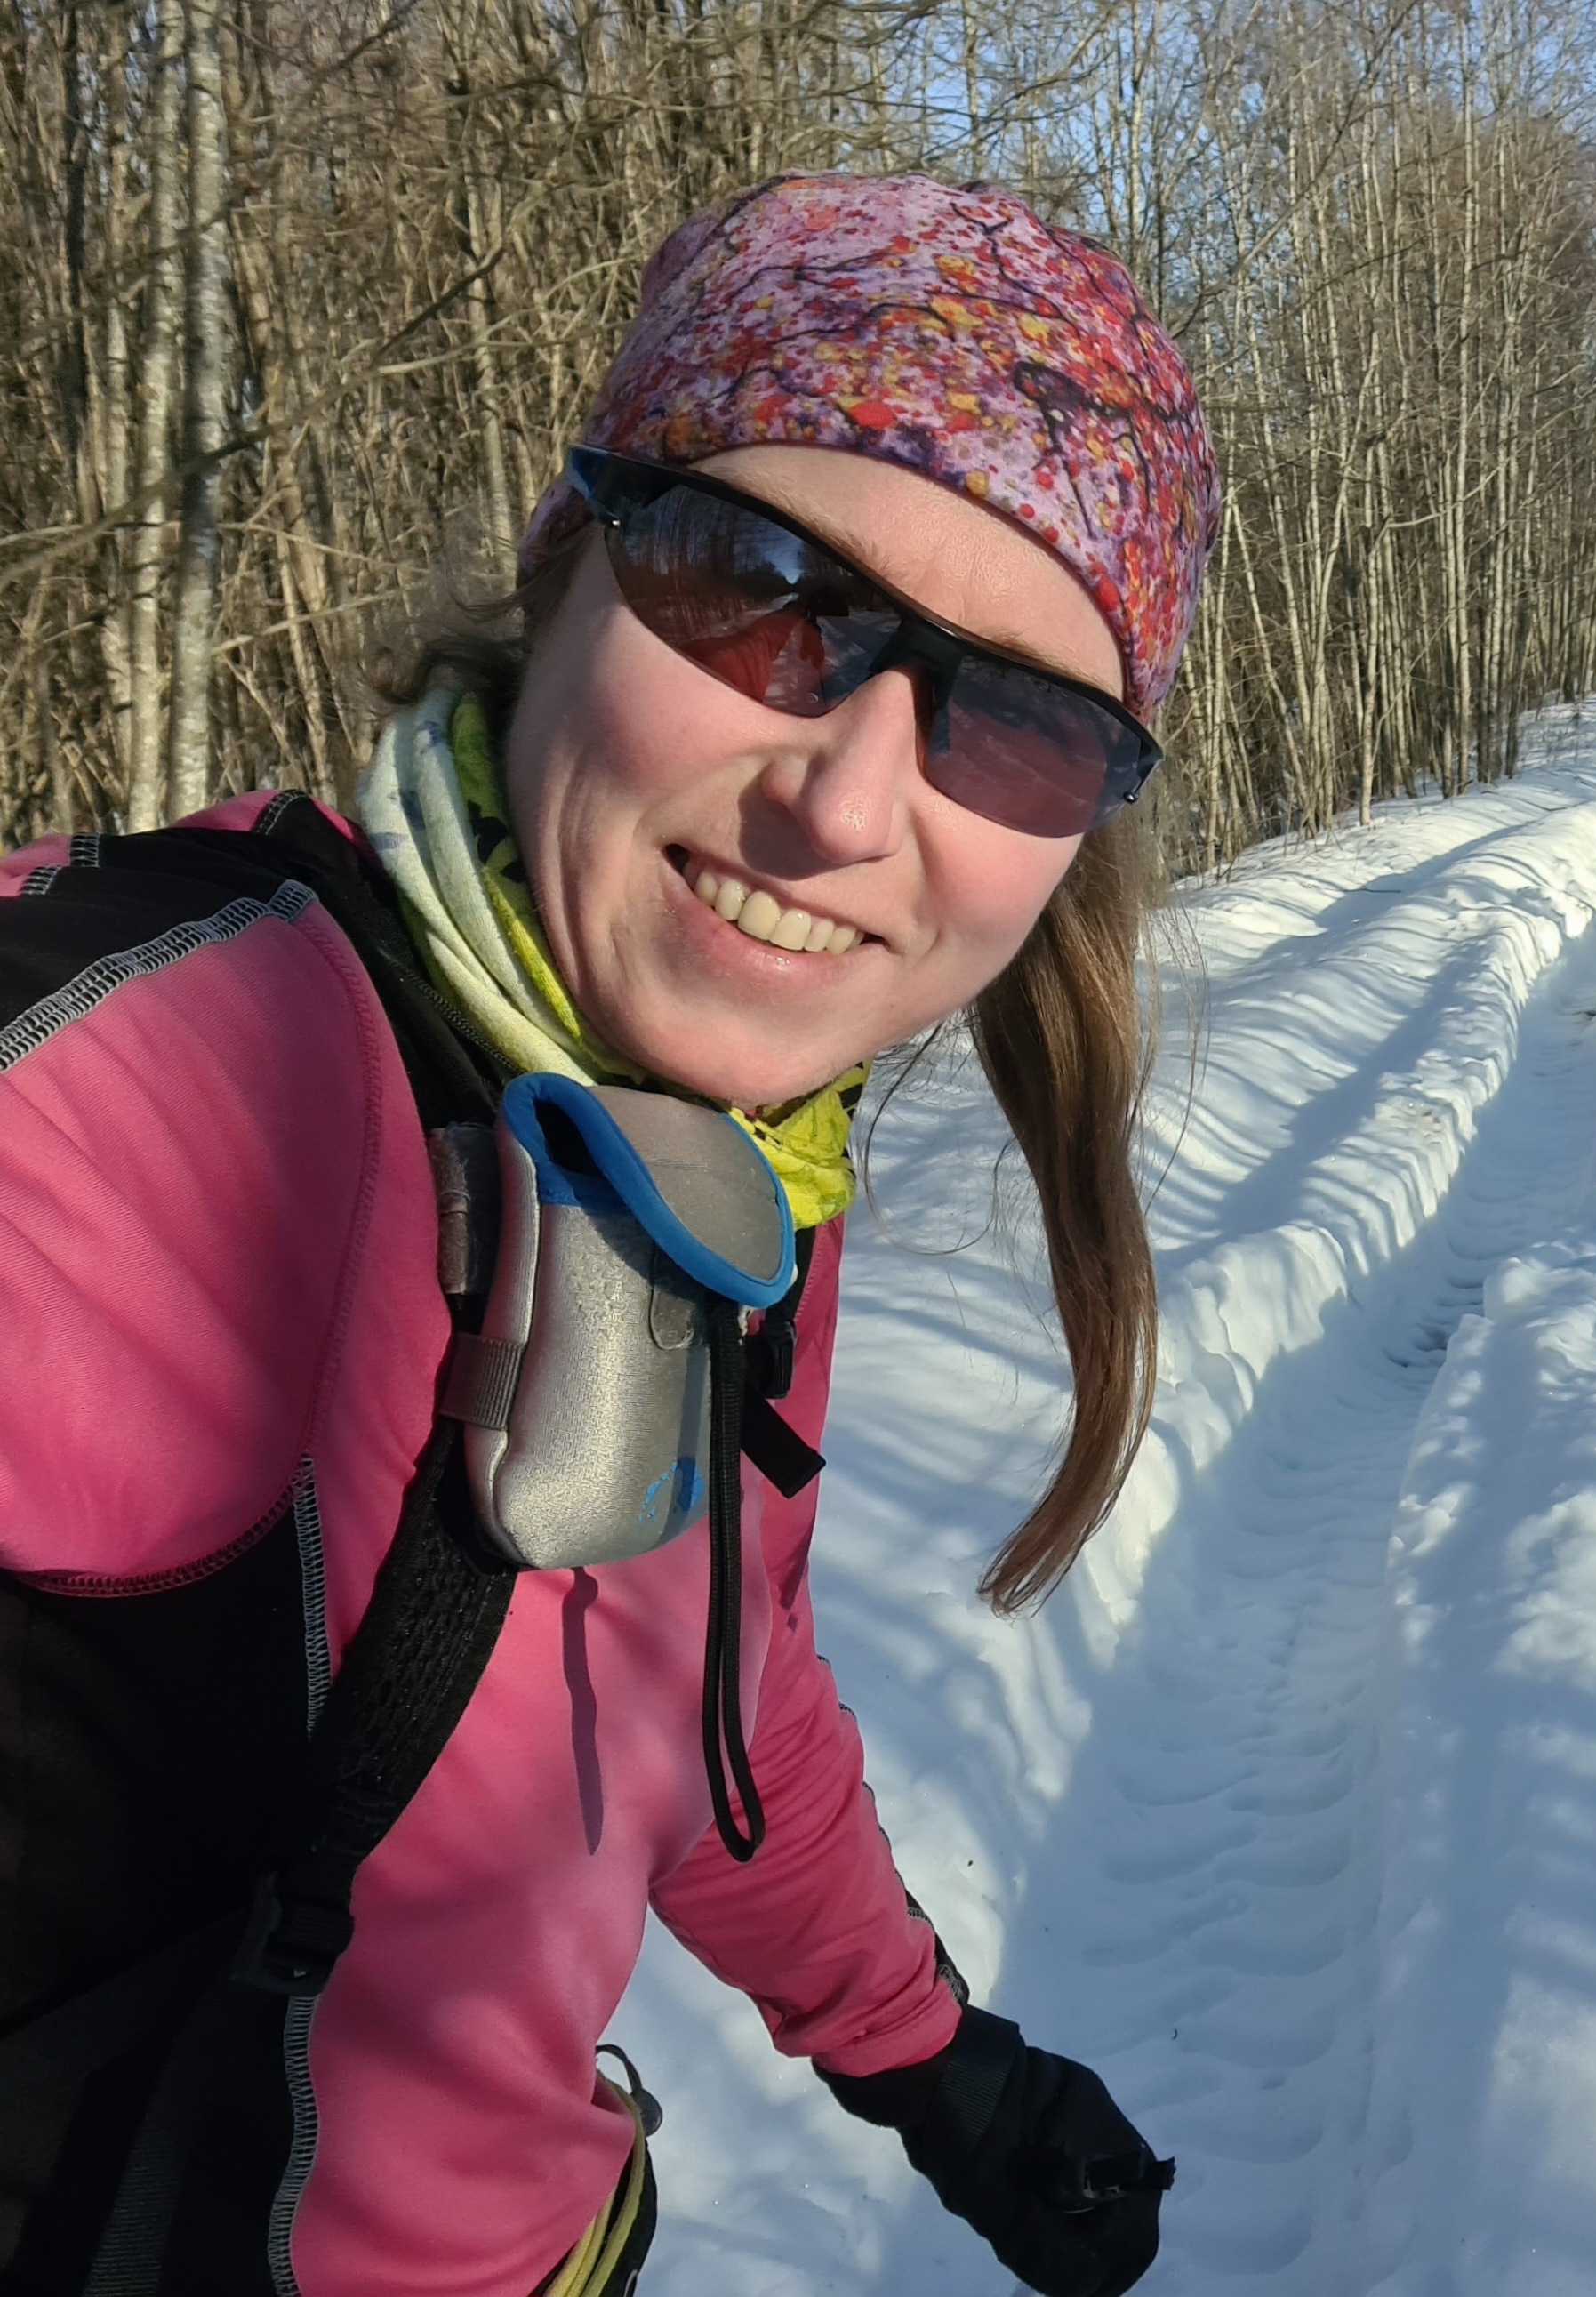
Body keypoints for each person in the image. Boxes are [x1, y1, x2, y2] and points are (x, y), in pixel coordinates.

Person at [0, 173, 1217, 2297]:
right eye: (764, 593)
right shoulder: (165, 1078)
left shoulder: (741, 1176)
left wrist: (931, 2057)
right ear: (568, 558)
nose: (846, 804)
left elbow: (715, 1690)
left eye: (1019, 722)